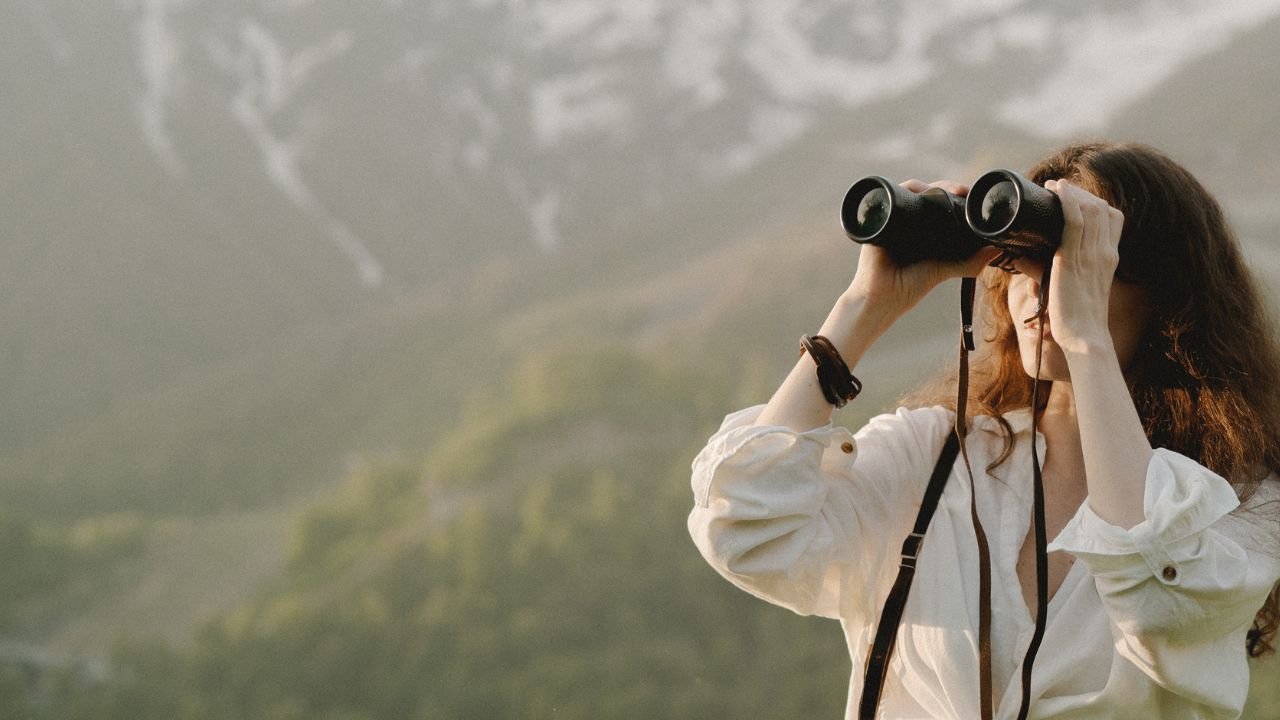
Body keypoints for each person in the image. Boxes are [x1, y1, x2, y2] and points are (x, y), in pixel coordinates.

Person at [687, 142, 1280, 719]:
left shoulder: (1241, 502)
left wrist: (1087, 342)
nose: (1041, 287)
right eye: (1020, 260)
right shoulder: (936, 456)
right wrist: (866, 303)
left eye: (1075, 261)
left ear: (1167, 289)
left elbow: (1159, 607)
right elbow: (746, 528)